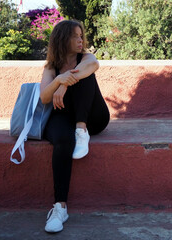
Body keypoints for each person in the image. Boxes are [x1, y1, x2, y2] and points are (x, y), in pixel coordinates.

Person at [40, 20, 110, 233]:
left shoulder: (86, 58)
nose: (81, 40)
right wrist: (59, 80)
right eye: (75, 36)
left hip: (92, 118)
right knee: (62, 140)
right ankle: (60, 207)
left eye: (81, 36)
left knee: (86, 75)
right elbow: (44, 97)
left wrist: (65, 84)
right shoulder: (52, 66)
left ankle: (81, 130)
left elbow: (94, 65)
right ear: (63, 39)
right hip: (62, 116)